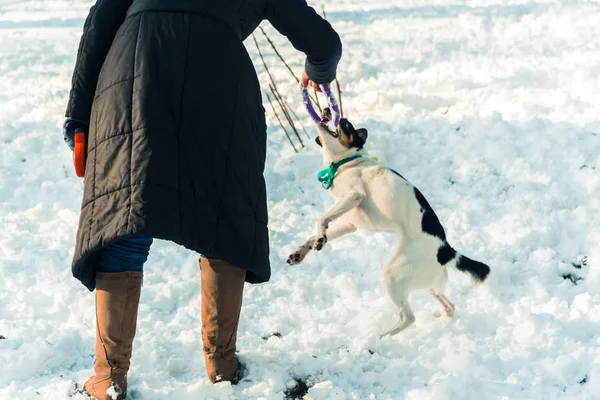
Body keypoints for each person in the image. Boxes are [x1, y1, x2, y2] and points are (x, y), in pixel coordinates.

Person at [63, 0, 341, 399]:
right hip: (219, 76)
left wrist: (78, 119)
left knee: (125, 213)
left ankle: (109, 378)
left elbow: (99, 24)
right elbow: (323, 42)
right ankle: (222, 364)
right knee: (222, 214)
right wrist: (319, 72)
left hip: (136, 68)